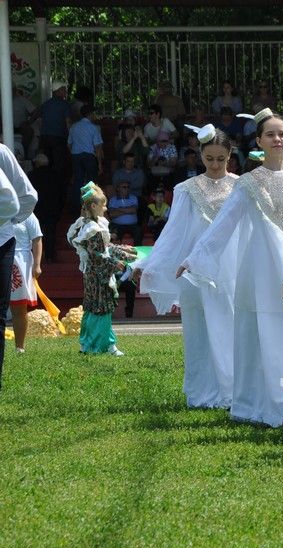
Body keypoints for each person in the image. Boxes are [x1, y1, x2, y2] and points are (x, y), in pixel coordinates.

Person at [179, 108, 283, 426]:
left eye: (282, 133)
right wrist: (195, 258)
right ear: (259, 141)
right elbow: (223, 225)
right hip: (262, 266)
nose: (277, 139)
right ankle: (273, 398)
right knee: (268, 329)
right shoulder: (248, 183)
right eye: (270, 134)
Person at [133, 126, 238, 409]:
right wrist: (149, 262)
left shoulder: (241, 186)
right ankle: (202, 391)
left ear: (230, 155)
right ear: (200, 156)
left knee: (231, 326)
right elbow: (173, 232)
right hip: (192, 269)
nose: (215, 165)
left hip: (232, 265)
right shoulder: (186, 189)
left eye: (221, 159)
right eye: (209, 158)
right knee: (198, 329)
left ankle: (233, 389)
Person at [66, 183, 136, 356]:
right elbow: (97, 255)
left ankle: (91, 344)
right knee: (101, 308)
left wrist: (123, 251)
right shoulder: (92, 229)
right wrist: (115, 264)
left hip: (92, 273)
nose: (105, 208)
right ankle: (101, 345)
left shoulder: (92, 224)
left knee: (92, 308)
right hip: (98, 275)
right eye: (103, 204)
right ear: (93, 206)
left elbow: (105, 247)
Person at [9, 214, 42, 353]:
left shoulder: (28, 214)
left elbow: (37, 239)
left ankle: (20, 348)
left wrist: (37, 264)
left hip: (21, 261)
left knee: (19, 309)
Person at [30, 81, 70, 180]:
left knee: (45, 163)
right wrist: (71, 137)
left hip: (45, 138)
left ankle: (46, 184)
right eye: (63, 90)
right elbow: (68, 122)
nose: (65, 92)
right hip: (58, 138)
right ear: (58, 91)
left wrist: (28, 123)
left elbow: (35, 115)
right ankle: (57, 188)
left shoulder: (46, 104)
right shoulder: (65, 105)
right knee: (58, 165)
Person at [67, 104, 104, 208]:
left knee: (78, 181)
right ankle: (89, 205)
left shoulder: (74, 127)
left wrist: (73, 153)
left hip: (76, 156)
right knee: (91, 181)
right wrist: (99, 163)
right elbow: (97, 147)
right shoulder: (93, 128)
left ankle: (75, 205)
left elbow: (69, 144)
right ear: (90, 114)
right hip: (89, 156)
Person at [107, 181, 142, 246]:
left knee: (139, 232)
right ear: (118, 188)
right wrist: (128, 210)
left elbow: (133, 210)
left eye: (128, 187)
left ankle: (139, 251)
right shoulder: (113, 200)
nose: (127, 189)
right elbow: (112, 214)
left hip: (132, 225)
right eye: (124, 187)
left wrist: (118, 209)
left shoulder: (133, 198)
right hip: (117, 225)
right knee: (114, 235)